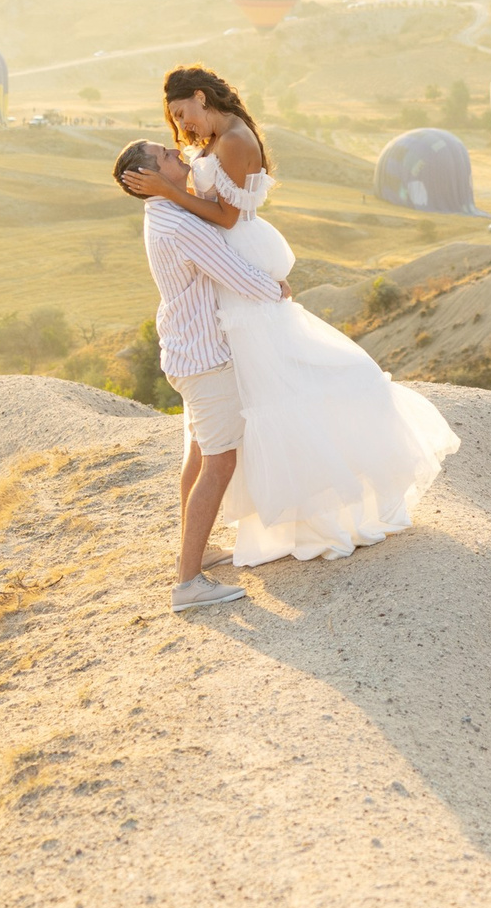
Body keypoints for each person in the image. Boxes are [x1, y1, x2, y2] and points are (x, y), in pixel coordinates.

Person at [121, 64, 459, 570]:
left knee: (276, 382)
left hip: (234, 250)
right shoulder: (213, 136)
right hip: (222, 262)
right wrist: (173, 188)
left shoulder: (234, 139)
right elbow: (205, 210)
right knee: (242, 404)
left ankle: (314, 508)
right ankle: (207, 541)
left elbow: (228, 217)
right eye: (173, 121)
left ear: (198, 96)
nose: (180, 128)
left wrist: (171, 191)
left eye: (180, 113)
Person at [114, 137, 290, 614]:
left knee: (197, 455)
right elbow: (230, 271)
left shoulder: (164, 213)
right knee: (219, 464)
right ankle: (187, 582)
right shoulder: (176, 225)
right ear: (148, 178)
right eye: (168, 156)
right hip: (206, 360)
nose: (180, 156)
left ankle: (192, 555)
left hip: (186, 351)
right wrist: (276, 290)